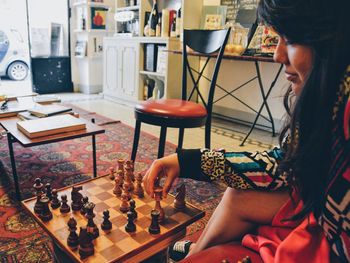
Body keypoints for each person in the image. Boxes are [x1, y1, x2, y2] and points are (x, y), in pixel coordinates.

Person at [143, 0, 350, 262]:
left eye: (292, 39)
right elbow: (284, 165)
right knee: (238, 194)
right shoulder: (329, 96)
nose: (277, 55)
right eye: (279, 38)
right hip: (315, 211)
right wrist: (188, 160)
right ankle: (196, 250)